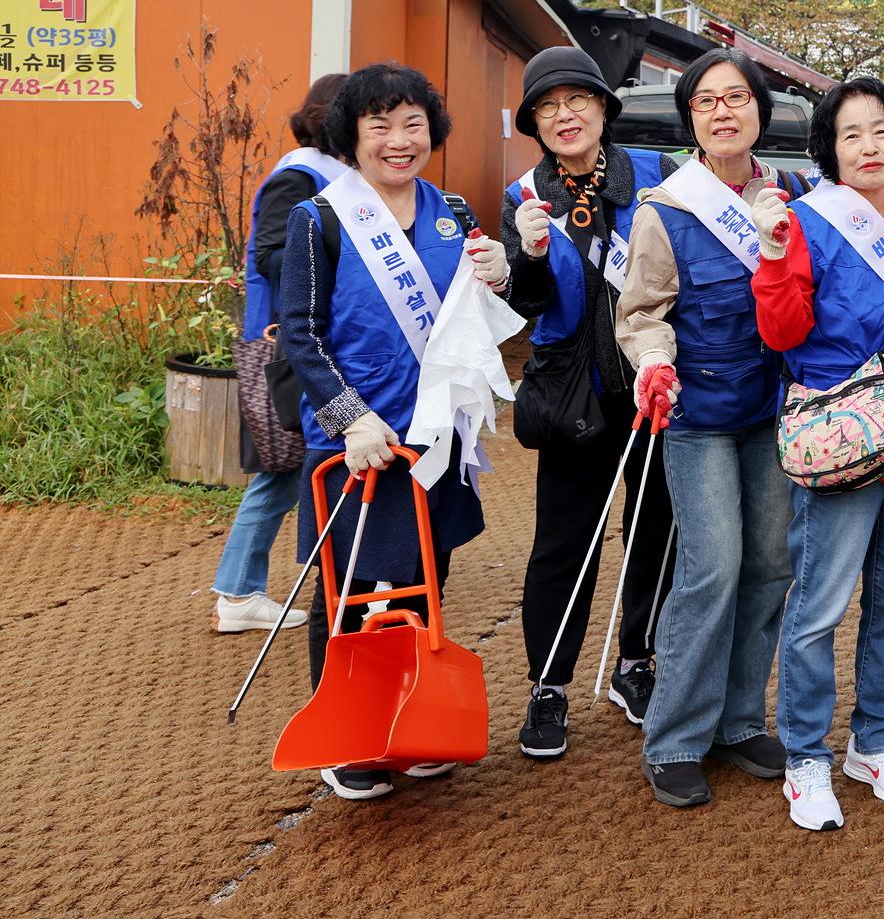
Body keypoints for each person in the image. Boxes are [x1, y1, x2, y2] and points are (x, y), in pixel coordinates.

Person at [280, 62, 511, 801]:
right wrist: (351, 418)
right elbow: (302, 336)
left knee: (426, 583)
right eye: (379, 124)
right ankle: (348, 738)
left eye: (412, 123)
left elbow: (486, 314)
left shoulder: (453, 212)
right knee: (348, 594)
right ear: (351, 134)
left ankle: (412, 723)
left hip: (435, 441)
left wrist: (504, 273)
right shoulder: (319, 217)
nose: (398, 139)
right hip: (358, 445)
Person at [751, 77, 884, 831]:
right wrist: (774, 258)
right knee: (818, 607)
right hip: (845, 438)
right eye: (851, 134)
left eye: (881, 131)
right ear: (829, 151)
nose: (869, 146)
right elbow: (780, 334)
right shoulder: (808, 222)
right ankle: (806, 756)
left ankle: (874, 743)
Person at [614, 48, 808, 807]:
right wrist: (653, 364)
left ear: (759, 110)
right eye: (706, 102)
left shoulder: (792, 194)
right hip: (696, 416)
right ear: (691, 118)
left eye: (737, 98)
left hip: (773, 414)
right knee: (713, 568)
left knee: (769, 566)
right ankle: (675, 736)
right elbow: (641, 313)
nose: (723, 111)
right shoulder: (666, 208)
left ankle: (736, 720)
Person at [499, 46, 675, 760]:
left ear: (604, 108)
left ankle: (638, 663)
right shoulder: (525, 196)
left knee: (656, 532)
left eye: (577, 101)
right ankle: (549, 686)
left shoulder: (658, 177)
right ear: (535, 125)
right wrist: (531, 257)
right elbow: (525, 303)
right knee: (561, 547)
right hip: (575, 397)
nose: (564, 116)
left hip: (654, 388)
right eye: (547, 107)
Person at [212, 73, 347, 634]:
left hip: (299, 340)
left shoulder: (328, 173)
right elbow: (273, 254)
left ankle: (241, 590)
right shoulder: (300, 175)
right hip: (286, 345)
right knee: (282, 468)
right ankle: (239, 593)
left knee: (288, 469)